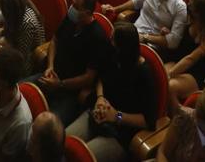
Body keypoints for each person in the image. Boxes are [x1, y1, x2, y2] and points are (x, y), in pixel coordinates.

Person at [66, 21, 156, 162]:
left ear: (123, 48)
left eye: (113, 39)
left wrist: (116, 116)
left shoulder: (143, 73)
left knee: (80, 157)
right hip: (98, 112)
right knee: (65, 143)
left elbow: (148, 121)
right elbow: (101, 78)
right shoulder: (113, 54)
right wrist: (100, 98)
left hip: (120, 132)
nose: (110, 41)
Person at [38, 0, 108, 125]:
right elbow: (54, 40)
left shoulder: (97, 37)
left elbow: (89, 78)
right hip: (51, 76)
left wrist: (60, 84)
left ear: (87, 13)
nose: (71, 8)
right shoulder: (70, 19)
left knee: (48, 125)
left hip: (70, 92)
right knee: (21, 89)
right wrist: (50, 66)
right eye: (72, 4)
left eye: (76, 6)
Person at [102, 0, 188, 58]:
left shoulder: (180, 7)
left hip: (154, 45)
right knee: (107, 45)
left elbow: (173, 42)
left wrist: (144, 37)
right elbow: (136, 1)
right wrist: (115, 9)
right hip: (134, 33)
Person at [165, 0, 205, 112]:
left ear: (201, 14)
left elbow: (191, 58)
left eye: (192, 8)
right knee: (158, 75)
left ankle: (181, 115)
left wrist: (171, 73)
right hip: (182, 63)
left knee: (169, 86)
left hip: (198, 74)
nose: (189, 8)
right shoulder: (192, 21)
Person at [0, 0, 45, 77]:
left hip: (26, 64)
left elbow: (21, 57)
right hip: (16, 43)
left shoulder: (27, 23)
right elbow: (12, 26)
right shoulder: (19, 11)